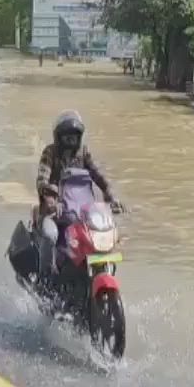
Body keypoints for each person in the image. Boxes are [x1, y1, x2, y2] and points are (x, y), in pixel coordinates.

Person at [34, 110, 123, 277]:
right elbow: (41, 179)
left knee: (105, 234)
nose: (70, 141)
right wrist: (51, 199)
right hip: (54, 212)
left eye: (74, 137)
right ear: (58, 137)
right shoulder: (50, 152)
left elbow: (99, 175)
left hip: (81, 213)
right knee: (49, 235)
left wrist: (110, 196)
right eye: (66, 137)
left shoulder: (84, 153)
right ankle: (46, 280)